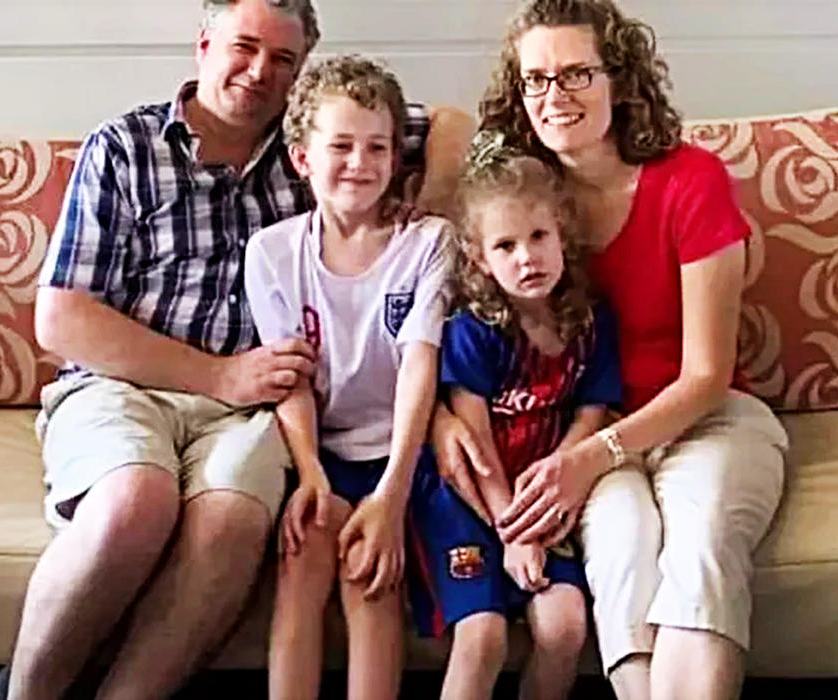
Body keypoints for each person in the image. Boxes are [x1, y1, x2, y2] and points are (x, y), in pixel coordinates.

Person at [7, 1, 472, 697]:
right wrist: (217, 374)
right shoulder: (126, 148)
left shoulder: (317, 135)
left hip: (248, 410)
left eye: (283, 59)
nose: (259, 72)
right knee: (135, 500)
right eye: (244, 47)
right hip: (123, 387)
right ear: (204, 45)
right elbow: (61, 319)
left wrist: (425, 199)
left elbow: (454, 124)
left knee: (232, 520)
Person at [430, 2, 789, 699]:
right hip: (582, 433)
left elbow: (707, 375)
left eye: (576, 73)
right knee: (623, 555)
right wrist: (442, 421)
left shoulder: (690, 180)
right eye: (536, 79)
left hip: (706, 418)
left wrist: (592, 457)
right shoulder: (523, 201)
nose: (554, 96)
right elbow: (447, 314)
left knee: (702, 544)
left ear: (619, 80)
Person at [243, 54, 451, 700]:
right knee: (304, 550)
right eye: (340, 146)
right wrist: (310, 472)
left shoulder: (429, 242)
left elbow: (420, 365)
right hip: (321, 450)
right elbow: (291, 379)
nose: (359, 163)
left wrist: (390, 497)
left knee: (370, 573)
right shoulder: (271, 252)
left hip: (401, 456)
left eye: (377, 147)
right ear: (302, 158)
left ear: (396, 156)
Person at [407, 137, 621, 700]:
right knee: (483, 637)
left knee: (565, 625)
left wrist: (559, 478)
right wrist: (514, 532)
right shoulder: (473, 332)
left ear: (561, 235)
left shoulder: (591, 322)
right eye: (506, 245)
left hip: (542, 499)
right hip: (472, 502)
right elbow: (473, 441)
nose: (527, 258)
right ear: (480, 258)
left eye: (539, 237)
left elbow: (591, 414)